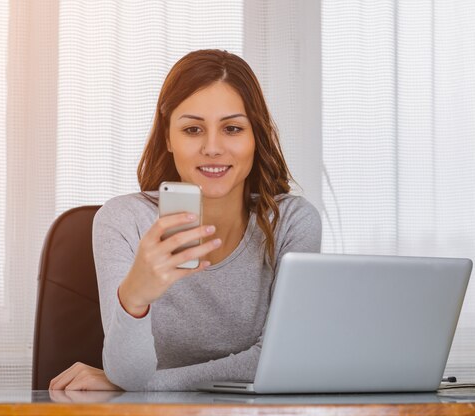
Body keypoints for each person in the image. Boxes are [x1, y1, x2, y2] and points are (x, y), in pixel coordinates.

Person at [49, 49, 321, 391]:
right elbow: (129, 373)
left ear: (256, 137)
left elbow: (277, 360)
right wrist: (134, 297)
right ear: (168, 137)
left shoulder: (293, 222)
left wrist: (150, 385)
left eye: (233, 128)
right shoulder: (124, 220)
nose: (212, 147)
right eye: (193, 129)